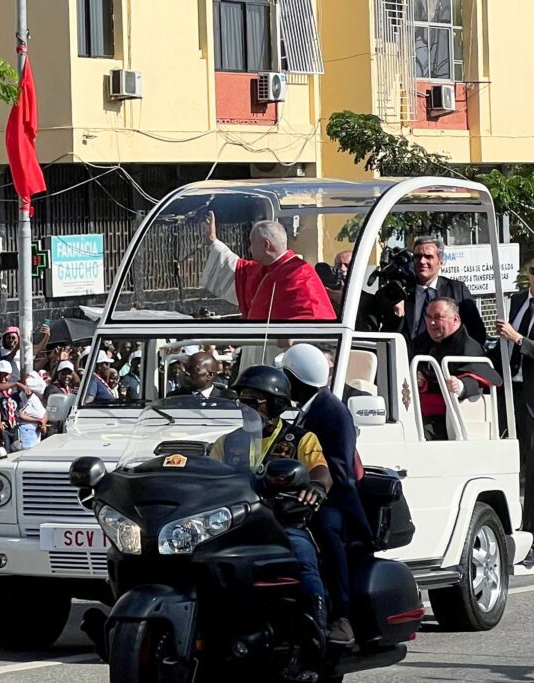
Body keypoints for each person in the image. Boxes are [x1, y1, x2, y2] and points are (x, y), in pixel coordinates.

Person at [208, 365, 331, 681]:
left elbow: (320, 470)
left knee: (304, 560)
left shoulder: (299, 439)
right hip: (234, 526)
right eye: (242, 400)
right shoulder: (227, 442)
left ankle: (312, 646)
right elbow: (207, 477)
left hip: (282, 524)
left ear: (276, 405)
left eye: (254, 400)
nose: (245, 406)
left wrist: (315, 486)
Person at [280, 344, 374, 646]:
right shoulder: (304, 410)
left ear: (296, 379)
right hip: (303, 494)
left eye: (285, 375)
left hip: (336, 501)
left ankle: (341, 616)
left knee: (326, 533)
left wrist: (315, 492)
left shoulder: (332, 412)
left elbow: (339, 471)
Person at [493, 255, 534, 569]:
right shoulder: (516, 301)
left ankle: (532, 544)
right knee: (506, 466)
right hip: (509, 393)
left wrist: (519, 339)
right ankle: (509, 536)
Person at [200, 212, 336, 321]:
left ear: (266, 245)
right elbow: (237, 269)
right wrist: (213, 241)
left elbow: (315, 317)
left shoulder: (300, 274)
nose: (249, 249)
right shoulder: (266, 269)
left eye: (252, 243)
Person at [410, 298, 501, 441]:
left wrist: (460, 385)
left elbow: (479, 379)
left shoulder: (468, 347)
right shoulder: (421, 342)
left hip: (446, 419)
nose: (432, 323)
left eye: (438, 317)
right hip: (417, 411)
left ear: (456, 319)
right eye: (428, 317)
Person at [389, 237, 487, 345]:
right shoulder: (401, 291)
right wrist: (398, 315)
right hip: (410, 359)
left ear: (440, 261)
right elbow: (388, 335)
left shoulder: (457, 290)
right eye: (417, 257)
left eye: (428, 256)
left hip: (446, 359)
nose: (422, 261)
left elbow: (477, 332)